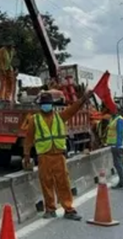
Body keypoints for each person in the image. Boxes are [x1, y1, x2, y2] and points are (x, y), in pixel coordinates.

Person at [23, 90, 95, 220]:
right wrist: (26, 155)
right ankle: (50, 209)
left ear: (52, 104)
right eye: (44, 104)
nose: (46, 106)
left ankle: (69, 209)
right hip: (44, 156)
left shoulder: (59, 116)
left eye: (48, 103)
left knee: (63, 183)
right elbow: (28, 138)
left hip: (58, 156)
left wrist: (83, 98)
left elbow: (73, 109)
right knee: (46, 183)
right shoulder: (34, 120)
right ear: (40, 106)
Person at [105, 110, 123, 190]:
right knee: (121, 163)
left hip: (118, 145)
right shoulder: (113, 119)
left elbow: (120, 132)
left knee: (118, 164)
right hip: (115, 144)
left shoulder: (119, 119)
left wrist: (118, 144)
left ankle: (122, 183)